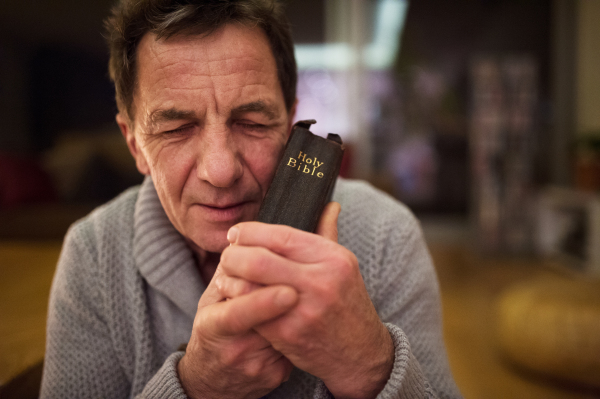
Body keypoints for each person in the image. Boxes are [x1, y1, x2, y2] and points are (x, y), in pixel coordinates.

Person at [41, 0, 462, 398]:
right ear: (134, 145)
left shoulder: (385, 234)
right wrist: (197, 386)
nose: (221, 170)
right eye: (176, 129)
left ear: (291, 125)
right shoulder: (92, 255)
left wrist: (370, 367)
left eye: (252, 122)